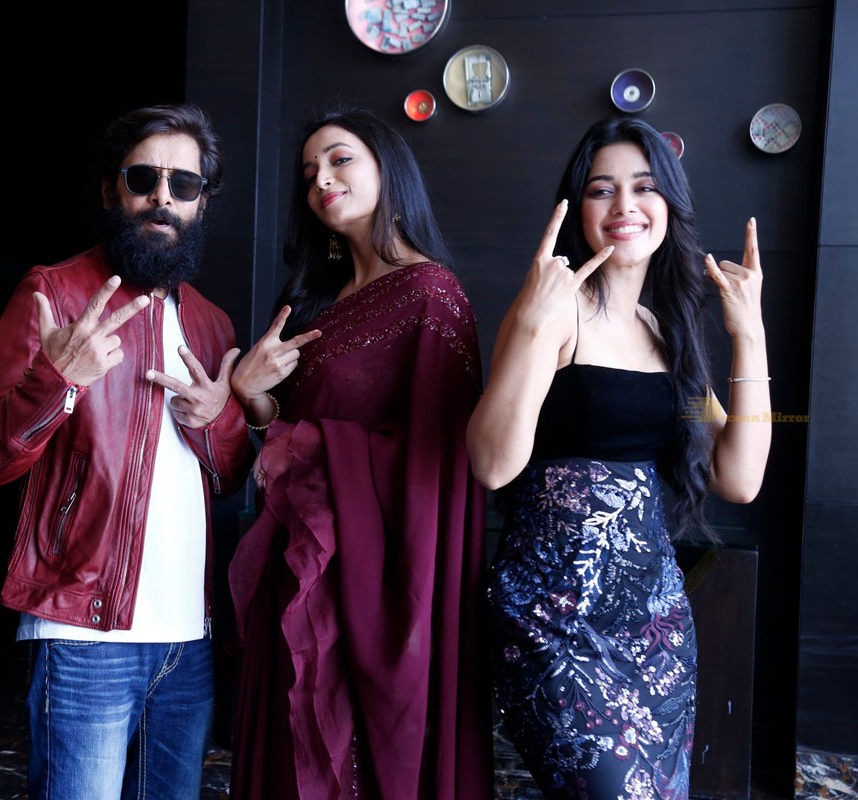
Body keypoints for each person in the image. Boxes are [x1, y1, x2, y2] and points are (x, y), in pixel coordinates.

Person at [468, 117, 771, 799]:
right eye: (602, 189)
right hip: (552, 623)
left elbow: (740, 477)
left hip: (652, 627)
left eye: (644, 187)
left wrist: (749, 334)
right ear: (577, 209)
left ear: (670, 203)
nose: (625, 205)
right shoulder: (554, 310)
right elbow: (490, 465)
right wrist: (532, 325)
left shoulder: (663, 330)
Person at [0, 104, 252, 800]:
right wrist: (57, 380)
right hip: (82, 630)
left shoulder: (212, 323)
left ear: (202, 202)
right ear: (110, 189)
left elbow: (231, 477)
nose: (162, 197)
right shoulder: (53, 293)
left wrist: (218, 420)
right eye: (143, 178)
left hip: (188, 639)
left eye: (184, 184)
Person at [227, 109, 493, 800]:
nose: (321, 178)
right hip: (298, 568)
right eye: (309, 171)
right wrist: (252, 399)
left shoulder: (431, 294)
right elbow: (289, 434)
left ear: (389, 170)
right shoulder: (319, 303)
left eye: (340, 159)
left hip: (371, 585)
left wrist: (304, 440)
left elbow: (437, 463)